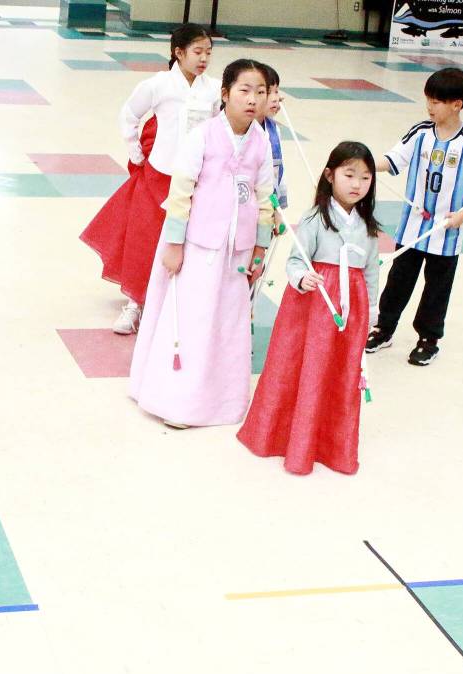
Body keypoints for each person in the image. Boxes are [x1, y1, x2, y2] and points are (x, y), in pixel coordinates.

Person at [129, 59, 273, 428]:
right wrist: (174, 245)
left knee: (226, 326)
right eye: (244, 90)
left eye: (261, 91)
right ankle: (178, 402)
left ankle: (223, 403)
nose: (253, 99)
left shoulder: (261, 141)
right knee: (191, 321)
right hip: (198, 247)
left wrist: (259, 248)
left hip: (236, 253)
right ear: (224, 95)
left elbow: (265, 196)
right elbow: (180, 194)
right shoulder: (203, 135)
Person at [238, 141, 380, 475]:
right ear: (330, 175)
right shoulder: (316, 218)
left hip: (349, 308)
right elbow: (296, 259)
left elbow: (372, 271)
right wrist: (302, 278)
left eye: (365, 178)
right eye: (349, 175)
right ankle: (289, 440)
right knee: (306, 368)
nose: (357, 184)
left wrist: (372, 309)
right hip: (315, 305)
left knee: (341, 372)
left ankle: (331, 446)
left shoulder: (368, 226)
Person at [79, 23, 219, 334]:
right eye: (197, 52)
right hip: (159, 173)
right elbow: (129, 115)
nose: (204, 59)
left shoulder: (213, 89)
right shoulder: (158, 85)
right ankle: (135, 303)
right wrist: (137, 154)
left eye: (208, 53)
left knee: (187, 238)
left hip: (197, 176)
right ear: (178, 53)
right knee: (147, 238)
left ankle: (179, 303)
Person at [366, 67, 463, 366]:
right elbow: (392, 160)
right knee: (398, 280)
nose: (430, 107)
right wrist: (361, 164)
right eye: (428, 100)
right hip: (412, 228)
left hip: (446, 233)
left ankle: (428, 339)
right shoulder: (420, 132)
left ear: (457, 104)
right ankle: (383, 328)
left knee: (437, 289)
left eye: (437, 102)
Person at [256, 63, 288, 209]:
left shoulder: (274, 130)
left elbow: (279, 170)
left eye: (276, 91)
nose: (275, 98)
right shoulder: (241, 130)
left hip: (269, 203)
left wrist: (278, 208)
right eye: (269, 92)